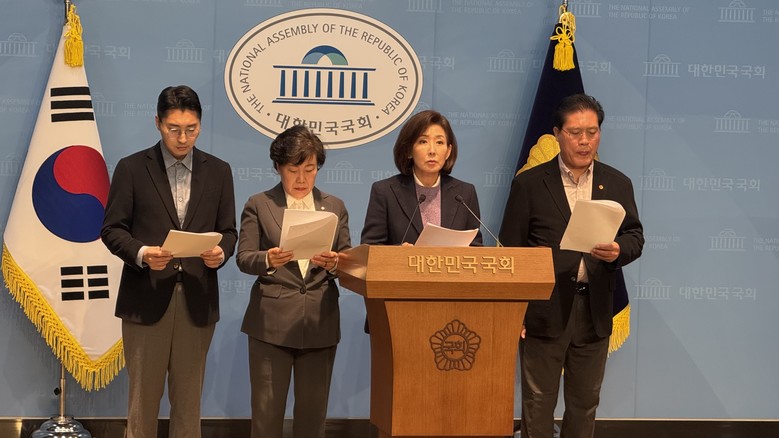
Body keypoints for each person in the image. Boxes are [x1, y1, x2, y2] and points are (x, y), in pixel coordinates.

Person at [499, 94, 643, 438]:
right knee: (538, 402)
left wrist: (618, 250)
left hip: (595, 308)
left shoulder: (617, 183)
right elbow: (510, 252)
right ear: (557, 134)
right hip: (543, 310)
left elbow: (635, 236)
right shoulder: (529, 184)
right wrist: (516, 312)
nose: (584, 141)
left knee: (584, 402)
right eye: (576, 132)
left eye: (592, 132)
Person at [101, 85, 237, 438]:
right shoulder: (132, 168)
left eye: (191, 129)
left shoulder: (219, 171)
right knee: (142, 403)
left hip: (197, 300)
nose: (183, 138)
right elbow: (112, 229)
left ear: (200, 124)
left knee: (189, 405)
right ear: (158, 123)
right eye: (174, 129)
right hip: (145, 298)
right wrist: (143, 254)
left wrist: (221, 252)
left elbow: (229, 231)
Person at [236, 125, 351, 438]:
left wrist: (335, 263)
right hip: (270, 323)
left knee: (313, 418)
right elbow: (244, 257)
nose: (302, 179)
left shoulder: (335, 206)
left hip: (319, 321)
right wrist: (268, 259)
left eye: (310, 169)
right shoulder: (259, 204)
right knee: (266, 417)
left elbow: (347, 261)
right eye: (293, 170)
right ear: (278, 167)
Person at [361, 109, 483, 247]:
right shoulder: (385, 192)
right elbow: (370, 248)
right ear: (408, 150)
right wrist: (398, 252)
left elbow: (476, 248)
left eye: (439, 142)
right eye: (423, 141)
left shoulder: (464, 194)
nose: (432, 151)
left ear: (448, 151)